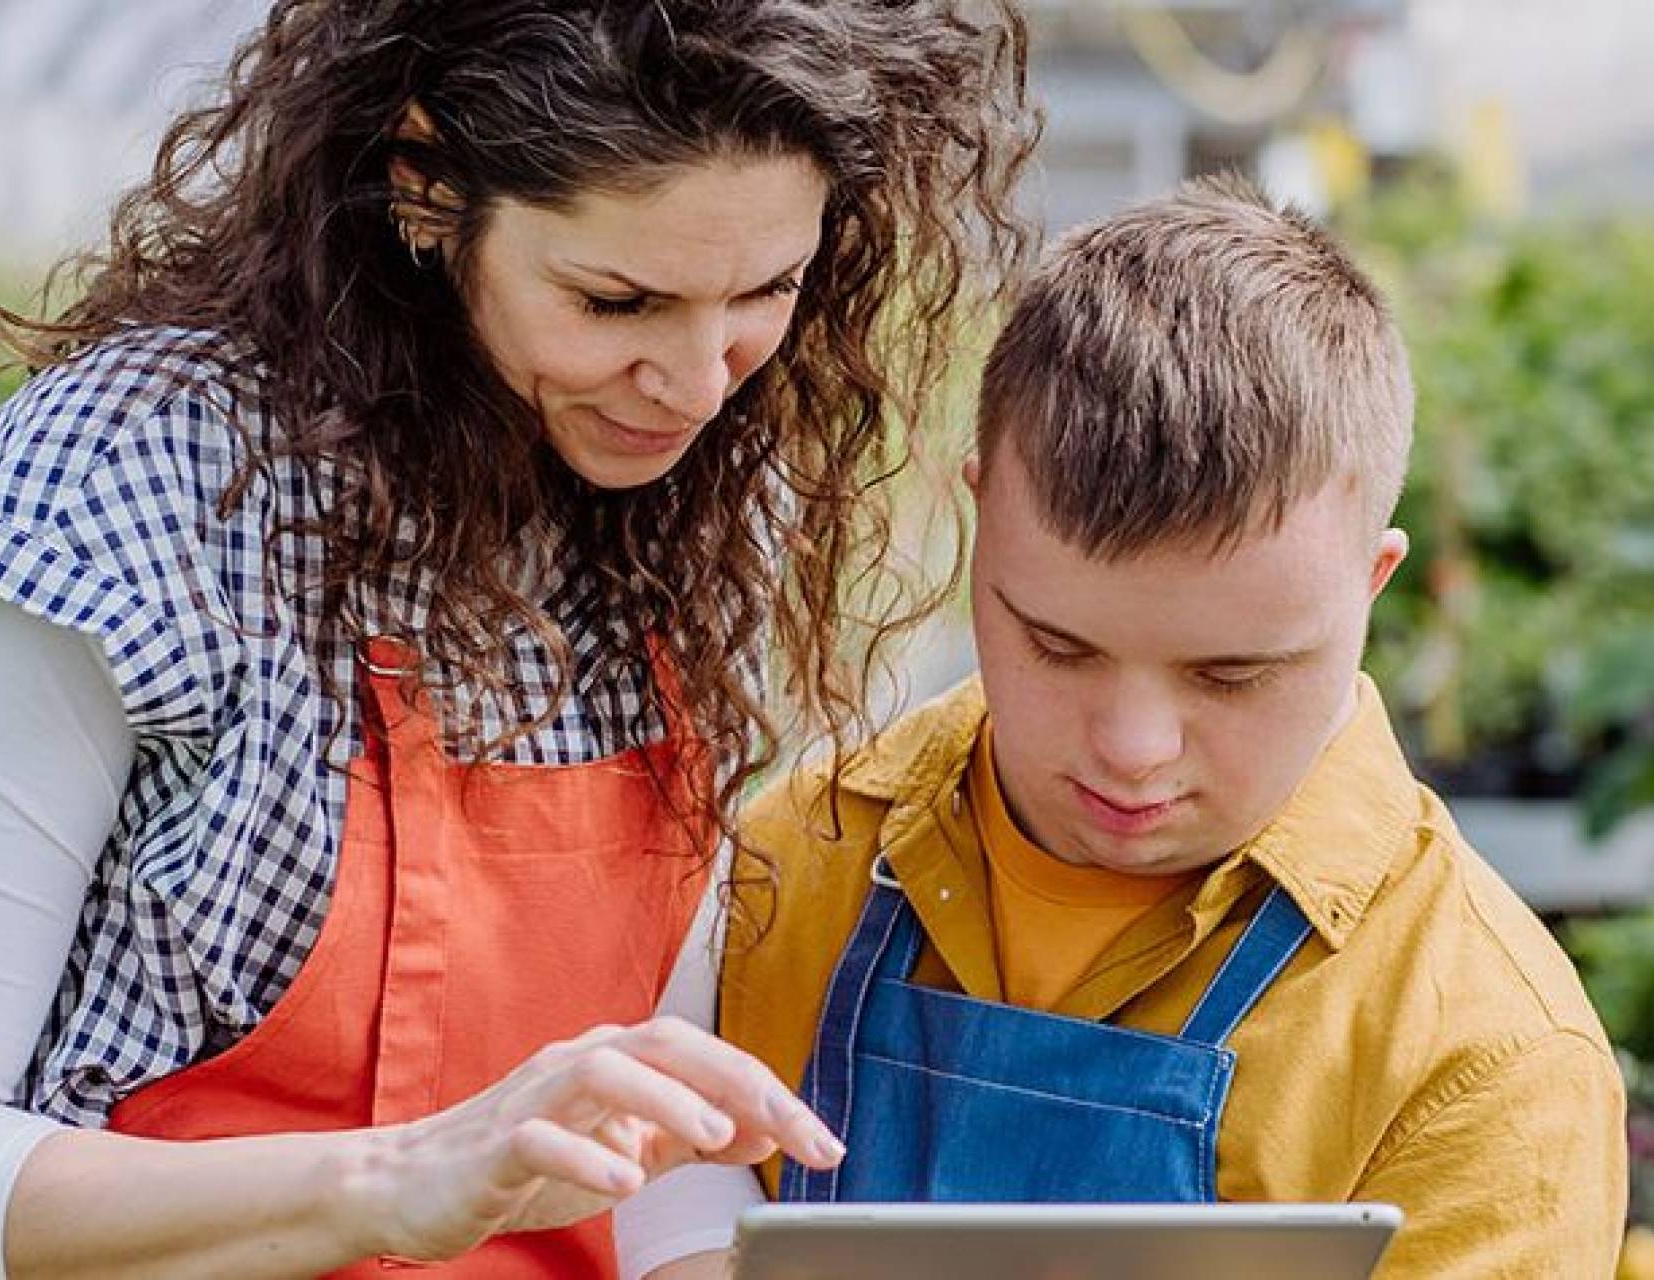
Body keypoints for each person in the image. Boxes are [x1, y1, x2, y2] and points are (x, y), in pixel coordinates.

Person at [0, 2, 1040, 1276]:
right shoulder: (132, 489)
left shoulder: (696, 510)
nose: (702, 380)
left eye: (767, 289)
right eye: (616, 300)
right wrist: (398, 1178)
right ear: (426, 187)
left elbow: (654, 1117)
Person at [622, 176, 1628, 1279]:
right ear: (981, 516)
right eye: (1058, 646)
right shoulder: (798, 856)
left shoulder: (1483, 1057)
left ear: (1372, 583)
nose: (1133, 747)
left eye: (1232, 673)